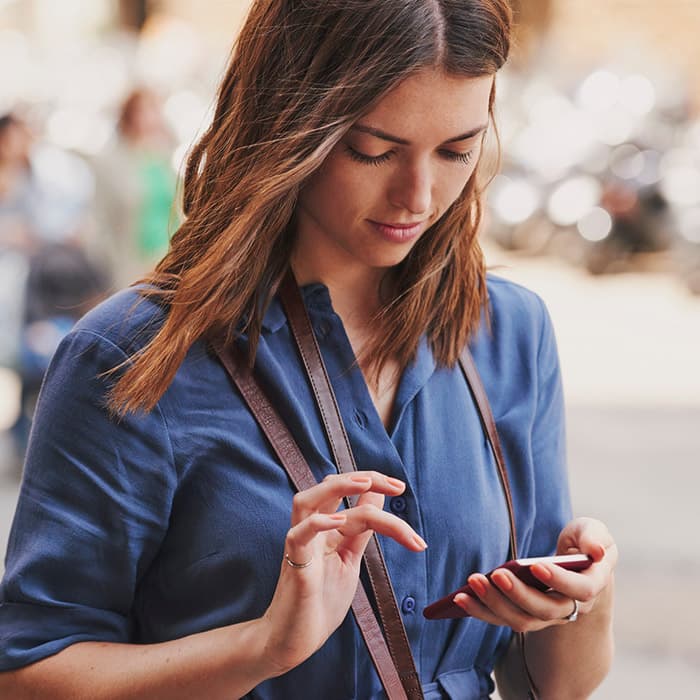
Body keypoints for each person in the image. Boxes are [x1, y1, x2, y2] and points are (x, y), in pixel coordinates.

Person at [0, 1, 617, 698]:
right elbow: (28, 675)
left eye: (457, 151)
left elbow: (556, 684)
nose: (419, 195)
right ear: (288, 125)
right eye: (374, 149)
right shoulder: (133, 356)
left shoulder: (509, 332)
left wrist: (580, 599)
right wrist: (262, 648)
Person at [92, 87, 178, 289]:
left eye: (155, 109)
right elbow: (102, 219)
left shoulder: (165, 156)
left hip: (168, 259)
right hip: (131, 263)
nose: (151, 117)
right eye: (144, 110)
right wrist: (113, 264)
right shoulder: (111, 162)